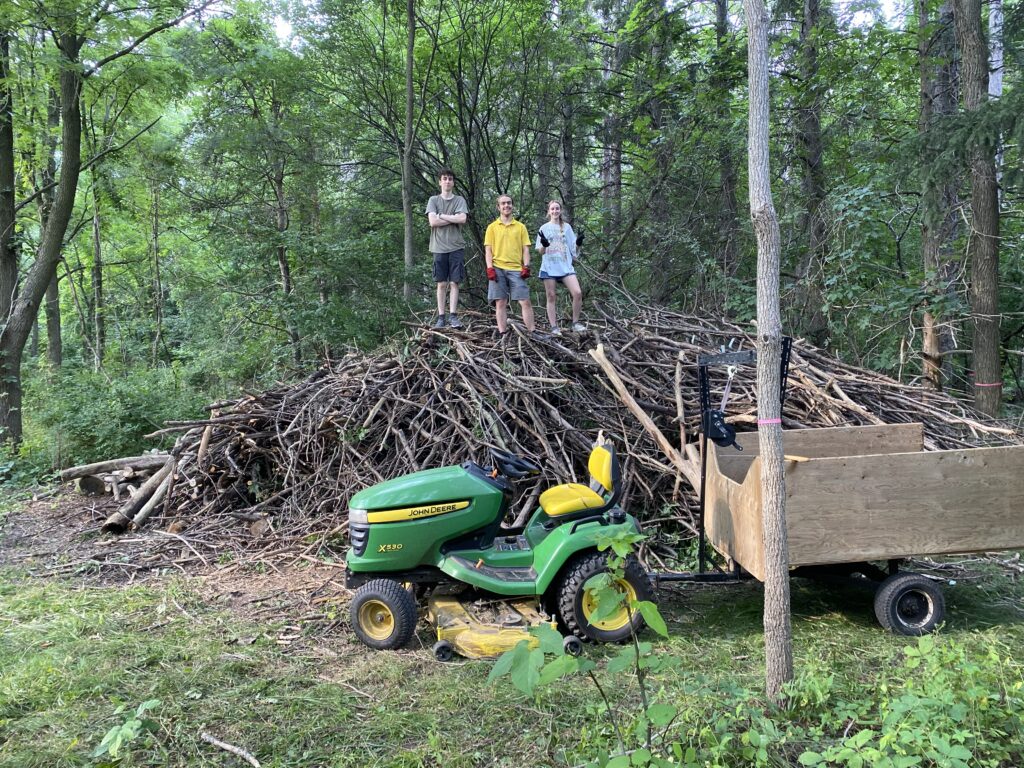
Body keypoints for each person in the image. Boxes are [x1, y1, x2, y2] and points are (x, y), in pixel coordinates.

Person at [484, 194, 535, 334]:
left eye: (509, 203)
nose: (506, 205)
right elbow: (488, 250)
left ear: (512, 205)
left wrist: (526, 266)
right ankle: (502, 334)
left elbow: (526, 249)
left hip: (516, 269)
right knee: (500, 302)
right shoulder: (492, 227)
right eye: (503, 203)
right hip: (497, 268)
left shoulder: (520, 227)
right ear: (498, 207)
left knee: (525, 301)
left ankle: (532, 333)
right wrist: (490, 268)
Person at [426, 168, 469, 328]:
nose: (447, 181)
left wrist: (442, 215)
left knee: (455, 283)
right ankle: (441, 317)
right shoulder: (433, 200)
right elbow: (433, 222)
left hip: (456, 247)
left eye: (450, 179)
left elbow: (463, 219)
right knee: (441, 283)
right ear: (440, 181)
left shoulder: (459, 200)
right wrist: (453, 218)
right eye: (444, 178)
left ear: (453, 182)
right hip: (438, 247)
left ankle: (453, 316)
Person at [535, 200, 585, 334]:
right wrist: (544, 245)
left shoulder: (567, 227)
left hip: (565, 266)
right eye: (552, 209)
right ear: (549, 211)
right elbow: (540, 251)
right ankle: (554, 327)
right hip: (549, 266)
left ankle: (575, 323)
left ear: (560, 210)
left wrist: (579, 243)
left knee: (577, 293)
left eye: (557, 209)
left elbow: (574, 253)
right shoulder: (544, 228)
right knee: (551, 296)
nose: (555, 211)